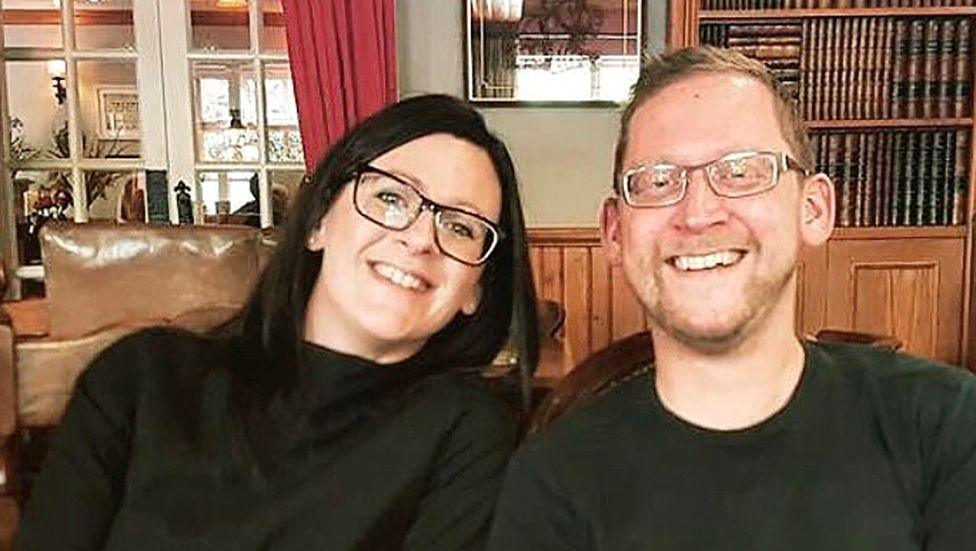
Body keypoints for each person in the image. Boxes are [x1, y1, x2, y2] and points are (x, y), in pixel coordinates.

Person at [487, 46, 976, 550]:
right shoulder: (552, 479)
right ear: (615, 232)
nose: (698, 213)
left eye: (741, 171)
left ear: (813, 209)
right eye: (657, 181)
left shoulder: (946, 424)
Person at [17, 94, 539, 550]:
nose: (420, 238)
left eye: (460, 227)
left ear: (476, 289)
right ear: (318, 221)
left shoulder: (467, 431)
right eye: (390, 197)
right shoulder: (141, 380)